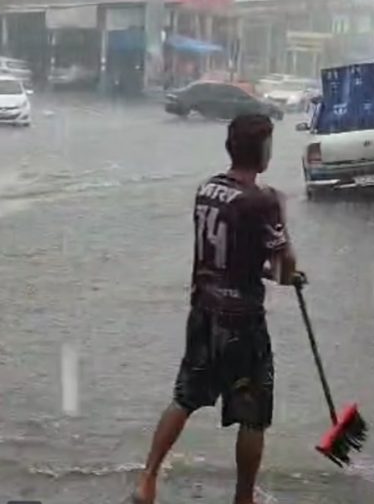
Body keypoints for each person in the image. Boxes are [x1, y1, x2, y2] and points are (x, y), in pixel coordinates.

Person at [131, 113, 299, 504]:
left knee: (185, 396)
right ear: (262, 150)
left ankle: (148, 479)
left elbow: (230, 259)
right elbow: (282, 266)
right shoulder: (263, 201)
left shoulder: (207, 190)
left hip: (204, 313)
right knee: (253, 413)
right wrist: (283, 222)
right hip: (242, 324)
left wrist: (269, 269)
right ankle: (243, 498)